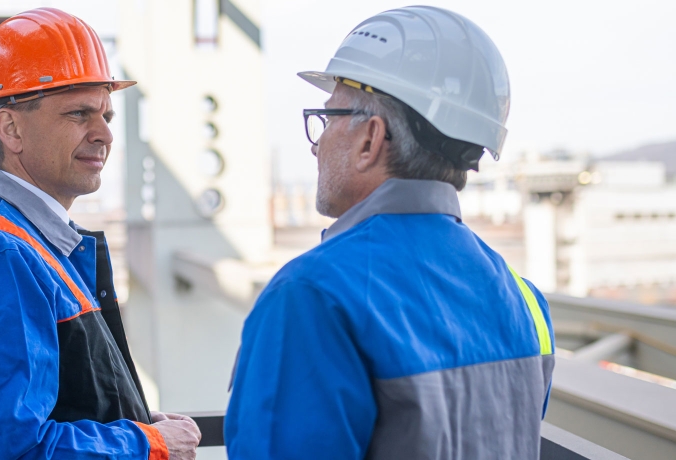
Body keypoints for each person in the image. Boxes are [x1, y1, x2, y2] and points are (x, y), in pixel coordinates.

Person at [225, 6, 554, 459]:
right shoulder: (525, 300)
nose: (318, 144)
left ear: (370, 140)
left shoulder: (312, 296)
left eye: (327, 119)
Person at [0, 8, 201, 460]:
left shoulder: (38, 245)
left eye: (105, 113)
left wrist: (129, 420)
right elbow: (8, 451)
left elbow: (59, 404)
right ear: (10, 128)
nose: (104, 133)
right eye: (79, 114)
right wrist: (147, 445)